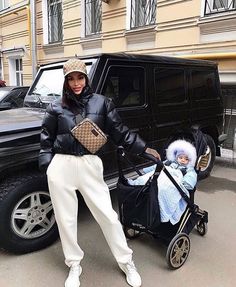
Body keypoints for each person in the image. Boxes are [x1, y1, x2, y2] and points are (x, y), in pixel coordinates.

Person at [39, 58, 160, 287]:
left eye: (80, 77)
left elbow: (121, 133)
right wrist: (48, 166)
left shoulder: (102, 103)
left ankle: (126, 261)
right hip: (61, 166)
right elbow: (46, 139)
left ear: (86, 78)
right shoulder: (56, 106)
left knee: (108, 216)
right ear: (65, 81)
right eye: (71, 78)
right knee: (65, 220)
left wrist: (143, 148)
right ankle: (74, 264)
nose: (76, 83)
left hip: (89, 165)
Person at [127, 139, 197, 224]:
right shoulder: (169, 163)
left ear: (190, 160)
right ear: (176, 157)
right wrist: (147, 170)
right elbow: (158, 166)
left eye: (186, 159)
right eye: (180, 157)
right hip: (162, 175)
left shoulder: (188, 169)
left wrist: (186, 182)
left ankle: (160, 208)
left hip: (173, 180)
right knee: (147, 178)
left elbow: (191, 176)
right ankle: (136, 184)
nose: (182, 160)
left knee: (165, 189)